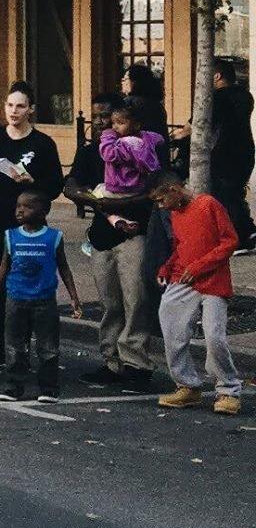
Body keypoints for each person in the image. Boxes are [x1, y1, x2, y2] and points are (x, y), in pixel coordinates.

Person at [0, 82, 65, 369]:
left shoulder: (42, 144)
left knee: (25, 283)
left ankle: (23, 346)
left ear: (31, 109)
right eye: (9, 105)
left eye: (20, 106)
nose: (14, 111)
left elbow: (55, 185)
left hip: (27, 226)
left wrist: (33, 182)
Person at [63, 91, 157, 386]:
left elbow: (156, 187)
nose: (102, 122)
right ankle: (112, 361)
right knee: (110, 302)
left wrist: (121, 202)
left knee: (135, 299)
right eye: (98, 117)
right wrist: (84, 196)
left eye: (108, 117)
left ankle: (137, 363)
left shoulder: (141, 147)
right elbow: (71, 183)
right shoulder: (91, 151)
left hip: (134, 231)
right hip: (102, 236)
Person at [150, 169, 242, 415]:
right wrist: (167, 267)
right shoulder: (175, 213)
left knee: (214, 336)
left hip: (212, 279)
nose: (161, 206)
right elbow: (181, 246)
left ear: (173, 190)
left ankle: (228, 389)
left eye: (161, 199)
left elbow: (230, 241)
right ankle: (187, 385)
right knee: (171, 327)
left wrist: (200, 266)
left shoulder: (208, 204)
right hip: (183, 277)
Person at [0, 189, 80, 403]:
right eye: (18, 206)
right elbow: (3, 266)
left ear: (44, 211)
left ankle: (49, 387)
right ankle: (13, 386)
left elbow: (64, 267)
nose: (20, 210)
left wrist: (74, 297)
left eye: (28, 207)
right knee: (14, 346)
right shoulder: (11, 236)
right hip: (16, 298)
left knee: (48, 346)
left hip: (44, 299)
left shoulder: (54, 237)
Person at [207, 60, 256, 251]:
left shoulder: (218, 97)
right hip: (245, 150)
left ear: (217, 76)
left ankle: (240, 237)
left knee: (224, 195)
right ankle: (248, 230)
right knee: (234, 193)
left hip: (224, 152)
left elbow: (198, 123)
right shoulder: (245, 95)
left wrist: (177, 136)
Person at [96, 99, 165, 199]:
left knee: (97, 192)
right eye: (113, 123)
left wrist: (107, 137)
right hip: (139, 185)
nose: (115, 127)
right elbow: (159, 139)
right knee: (101, 186)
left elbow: (108, 154)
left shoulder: (126, 143)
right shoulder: (144, 138)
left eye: (121, 123)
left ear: (136, 125)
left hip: (123, 188)